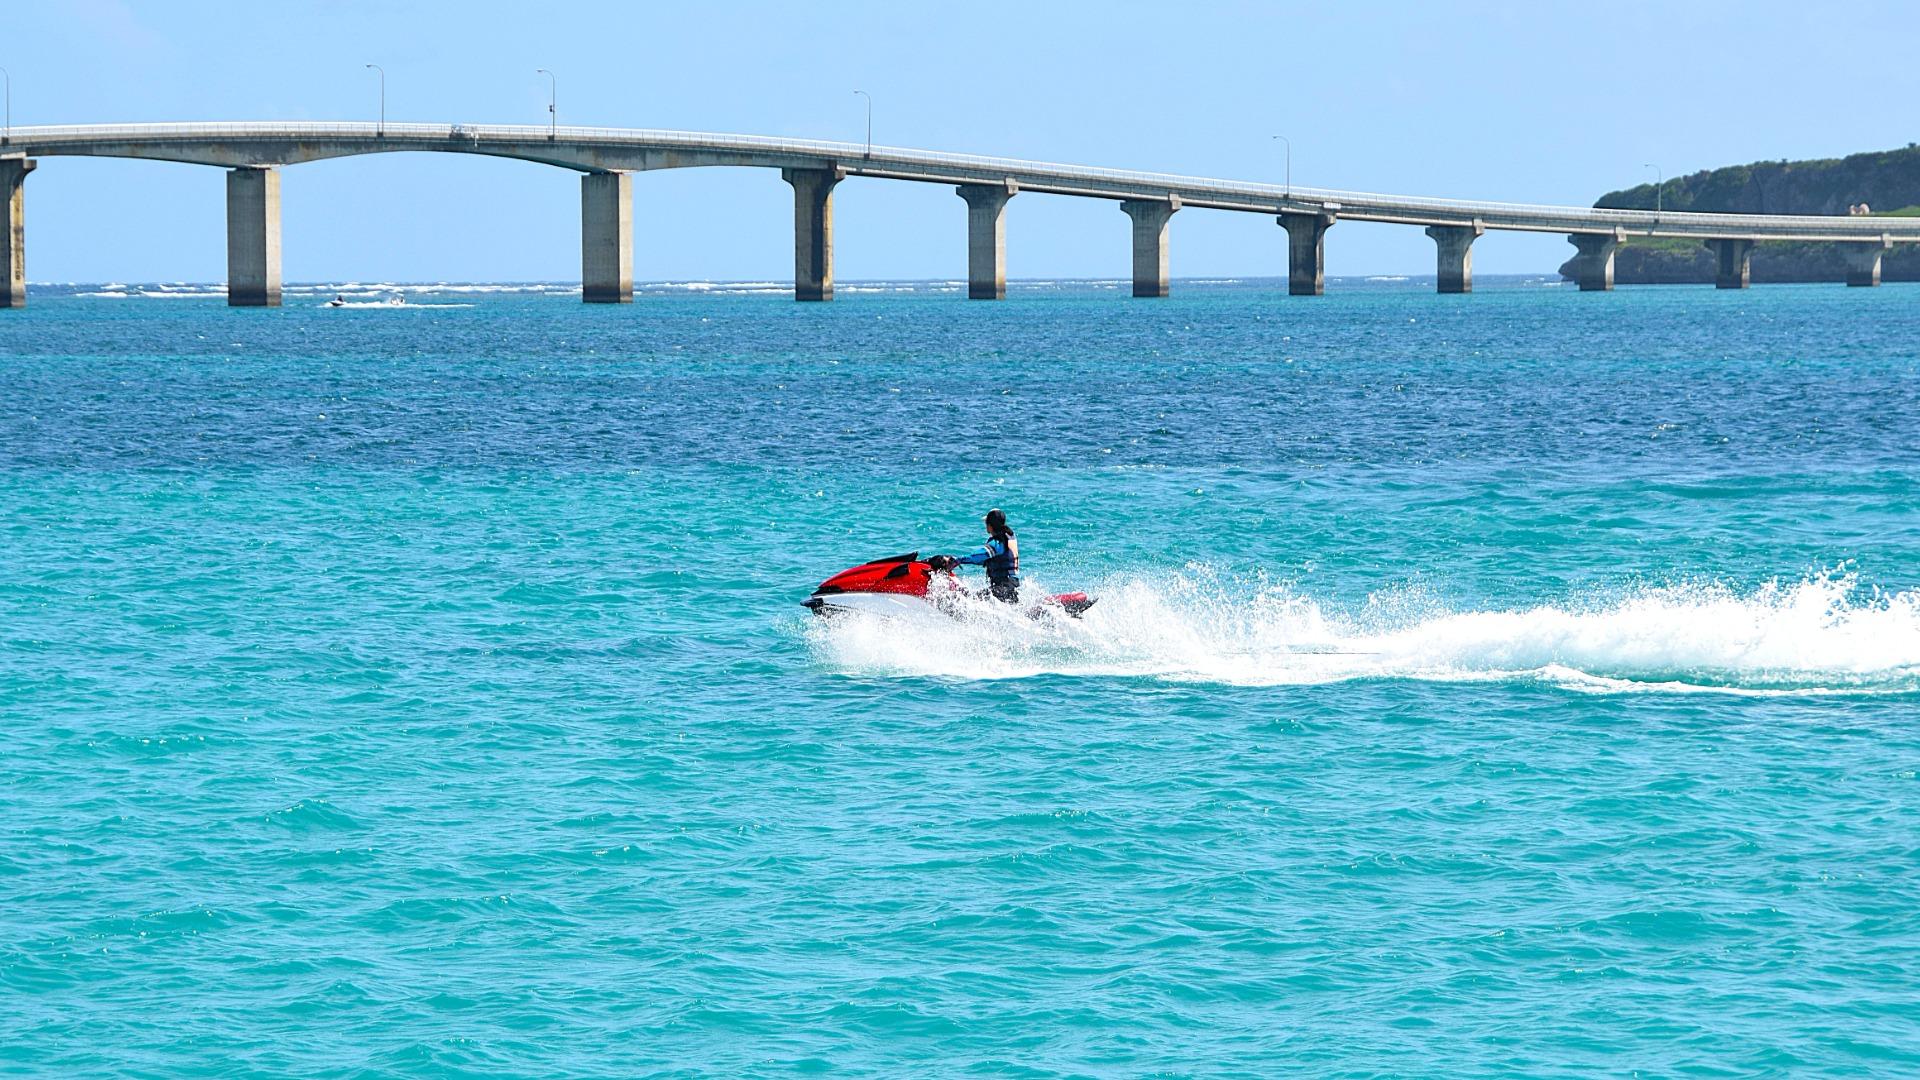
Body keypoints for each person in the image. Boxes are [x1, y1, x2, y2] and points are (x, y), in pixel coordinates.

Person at [928, 509, 1020, 603]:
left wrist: (959, 560)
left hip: (1003, 588)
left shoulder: (998, 542)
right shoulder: (1009, 537)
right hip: (1011, 587)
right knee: (973, 597)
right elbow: (989, 561)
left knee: (969, 600)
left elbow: (980, 556)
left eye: (986, 523)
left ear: (990, 526)